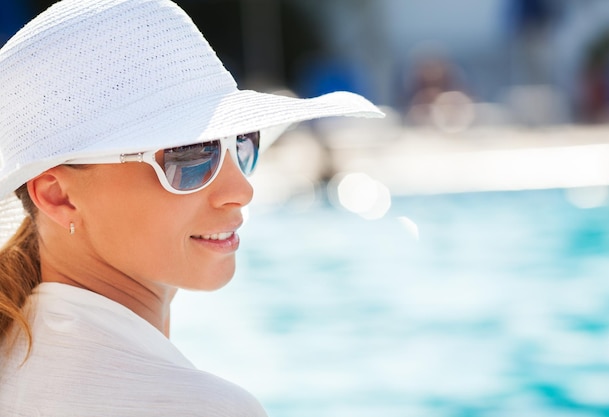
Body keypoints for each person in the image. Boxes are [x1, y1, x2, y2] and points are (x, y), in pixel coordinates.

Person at [0, 0, 383, 415]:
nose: (240, 190)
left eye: (241, 143)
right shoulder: (199, 406)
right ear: (58, 196)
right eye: (189, 155)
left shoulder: (16, 358)